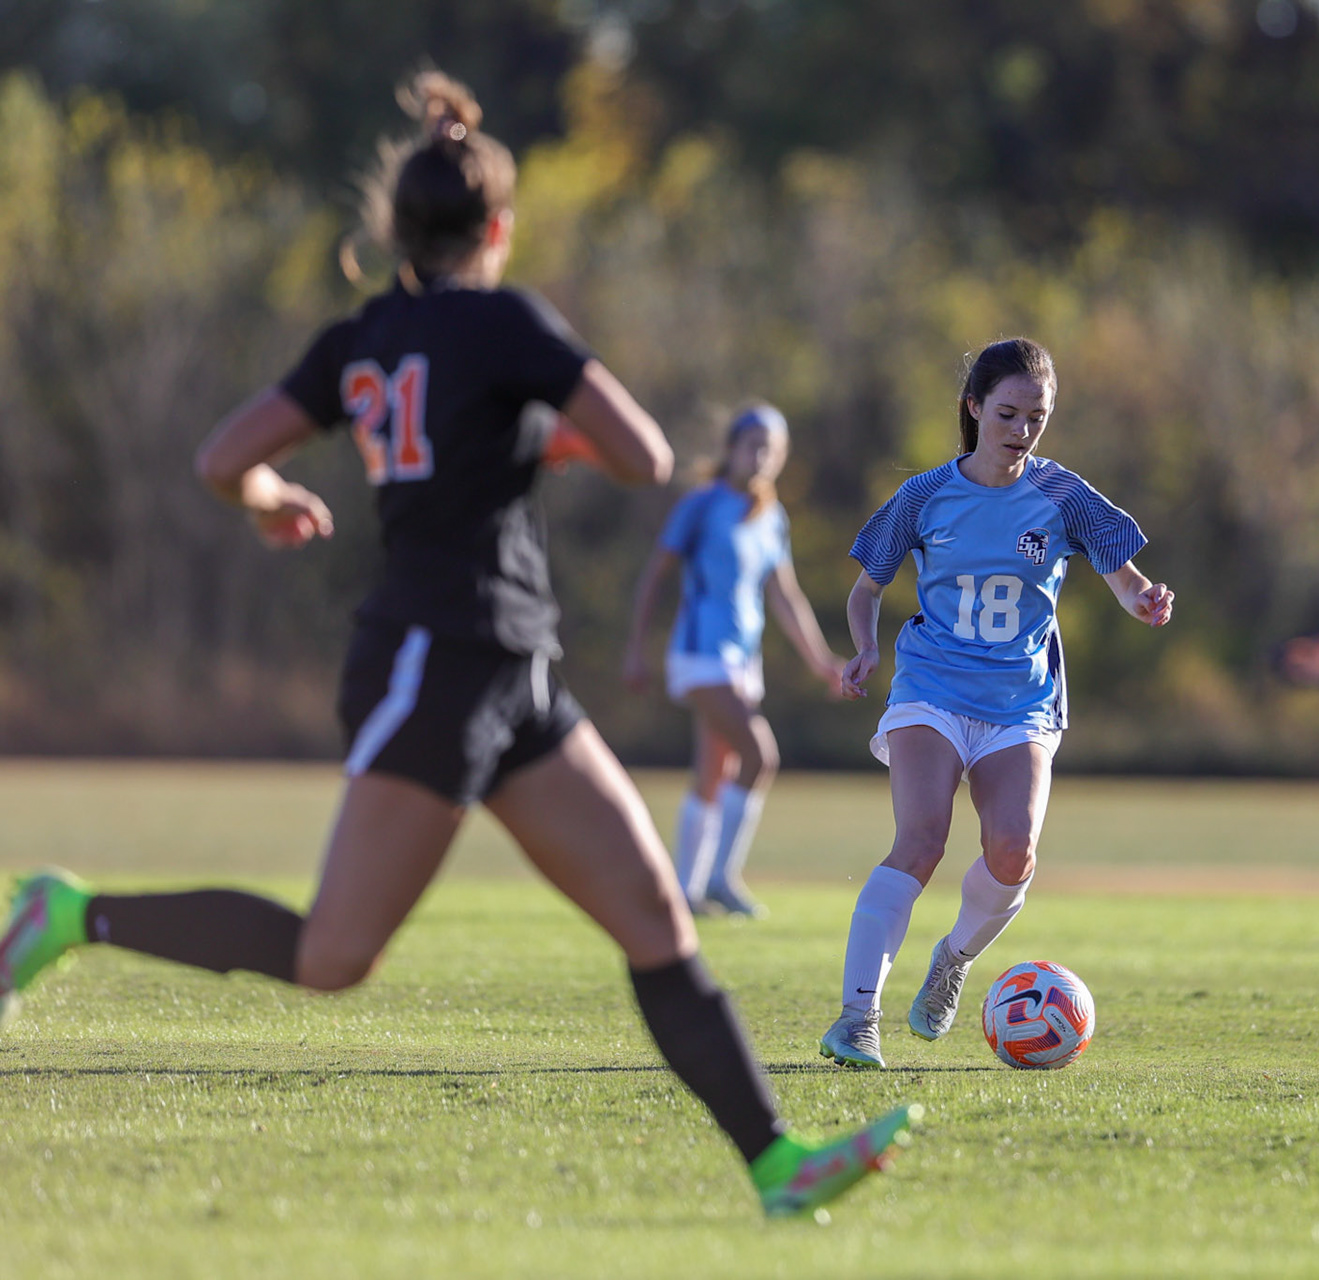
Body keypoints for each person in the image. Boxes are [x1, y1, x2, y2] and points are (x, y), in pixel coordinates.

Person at [0, 71, 916, 1216]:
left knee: (655, 921)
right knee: (335, 955)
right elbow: (639, 452)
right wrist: (544, 429)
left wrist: (272, 497)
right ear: (499, 227)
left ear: (399, 230)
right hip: (436, 661)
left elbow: (224, 456)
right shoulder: (506, 321)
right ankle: (70, 913)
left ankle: (781, 1165)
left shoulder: (365, 334)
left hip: (512, 670)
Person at [819, 338, 1174, 1069]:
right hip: (934, 686)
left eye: (1036, 418)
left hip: (1021, 701)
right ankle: (857, 1019)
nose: (1021, 430)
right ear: (974, 408)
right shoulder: (923, 496)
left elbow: (1127, 580)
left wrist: (1147, 601)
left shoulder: (1063, 495)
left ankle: (952, 961)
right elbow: (866, 589)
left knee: (1013, 851)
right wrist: (864, 649)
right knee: (921, 840)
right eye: (1008, 413)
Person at [621, 404, 843, 917]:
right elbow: (656, 575)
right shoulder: (702, 505)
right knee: (760, 755)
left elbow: (785, 596)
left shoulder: (772, 516)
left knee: (714, 770)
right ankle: (721, 879)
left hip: (743, 662)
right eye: (754, 445)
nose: (762, 456)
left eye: (773, 449)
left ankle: (684, 891)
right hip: (700, 653)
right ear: (732, 449)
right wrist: (635, 649)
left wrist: (819, 661)